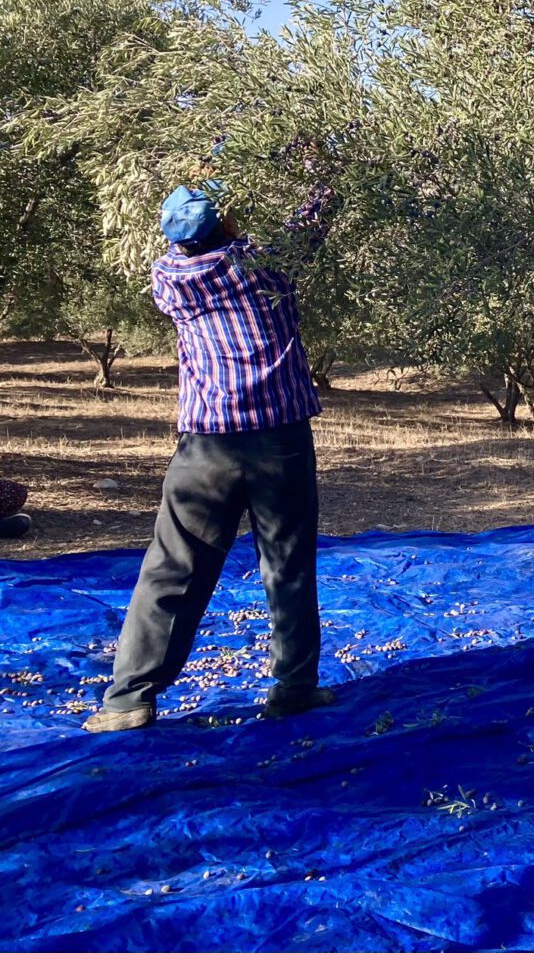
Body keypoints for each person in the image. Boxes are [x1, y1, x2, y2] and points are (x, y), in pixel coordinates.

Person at [82, 177, 337, 733]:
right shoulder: (262, 267)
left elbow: (196, 243)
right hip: (279, 442)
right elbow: (312, 220)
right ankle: (293, 689)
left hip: (204, 448)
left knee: (172, 568)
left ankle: (129, 700)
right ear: (224, 223)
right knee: (287, 566)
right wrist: (322, 166)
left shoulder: (167, 278)